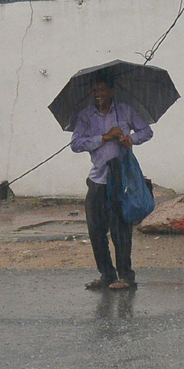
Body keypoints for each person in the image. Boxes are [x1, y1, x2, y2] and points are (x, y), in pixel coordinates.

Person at [69, 73, 153, 291]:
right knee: (96, 231)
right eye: (94, 90)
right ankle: (107, 274)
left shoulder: (124, 110)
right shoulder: (86, 116)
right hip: (98, 180)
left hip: (121, 179)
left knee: (120, 230)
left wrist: (130, 138)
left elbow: (147, 131)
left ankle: (126, 276)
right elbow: (76, 144)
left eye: (102, 90)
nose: (98, 94)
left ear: (111, 92)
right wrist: (104, 137)